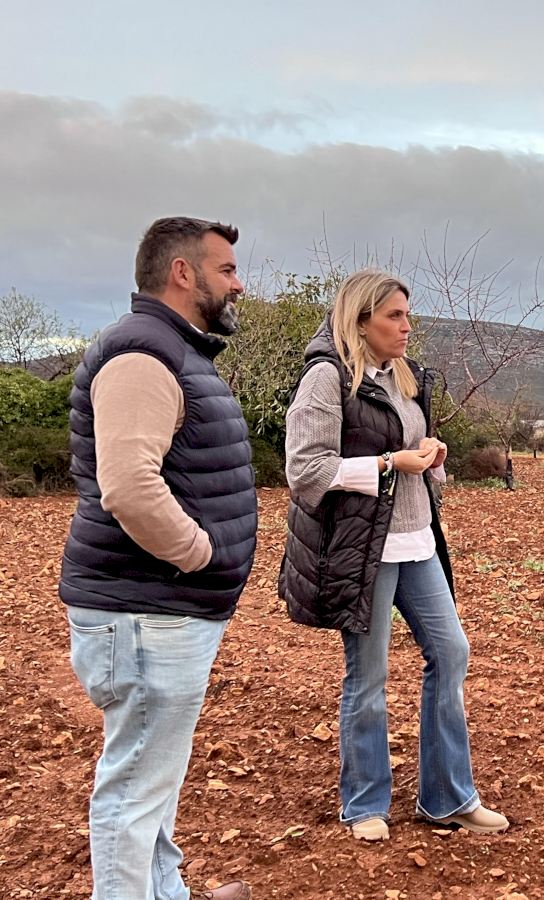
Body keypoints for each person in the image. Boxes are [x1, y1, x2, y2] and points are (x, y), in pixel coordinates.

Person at [59, 217, 257, 899]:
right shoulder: (143, 356)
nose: (238, 284)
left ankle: (165, 891)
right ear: (182, 272)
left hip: (159, 608)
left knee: (153, 779)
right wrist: (199, 553)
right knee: (135, 790)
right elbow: (129, 487)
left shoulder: (172, 349)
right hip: (147, 610)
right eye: (226, 270)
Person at [278, 269, 507, 841]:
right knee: (369, 674)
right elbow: (304, 471)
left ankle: (448, 798)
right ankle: (364, 804)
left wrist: (433, 459)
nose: (407, 327)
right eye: (394, 316)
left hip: (416, 540)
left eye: (408, 315)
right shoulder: (327, 379)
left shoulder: (404, 377)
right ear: (361, 322)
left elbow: (414, 461)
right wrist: (385, 465)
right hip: (364, 550)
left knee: (451, 653)